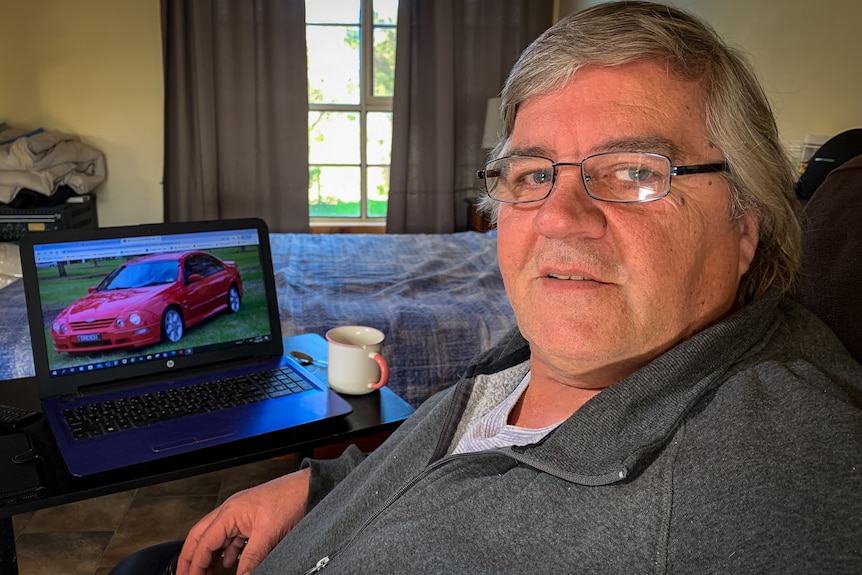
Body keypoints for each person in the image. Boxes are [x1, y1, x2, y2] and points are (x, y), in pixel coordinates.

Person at [113, 2, 862, 573]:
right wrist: (319, 484)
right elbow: (451, 436)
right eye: (535, 174)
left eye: (635, 171)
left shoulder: (762, 480)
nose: (561, 218)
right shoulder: (578, 338)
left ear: (745, 226)